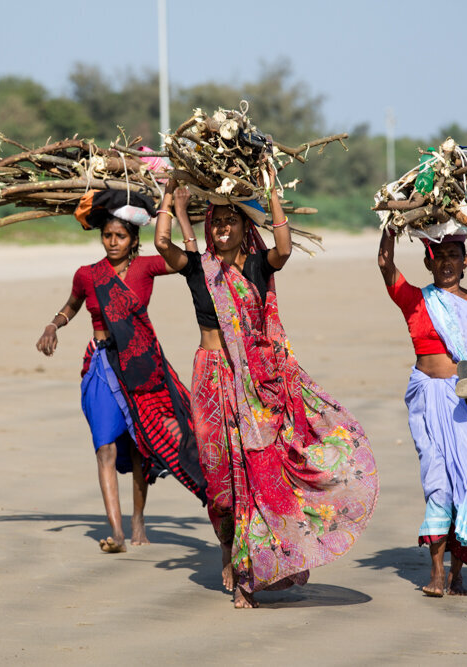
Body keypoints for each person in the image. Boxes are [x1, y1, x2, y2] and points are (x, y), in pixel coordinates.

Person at [154, 173, 379, 608]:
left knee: (253, 475)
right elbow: (163, 244)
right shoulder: (200, 268)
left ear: (244, 226)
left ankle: (246, 575)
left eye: (229, 220)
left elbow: (285, 248)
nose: (221, 228)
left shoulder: (258, 266)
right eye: (215, 220)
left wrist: (272, 186)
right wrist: (169, 197)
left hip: (254, 389)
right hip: (211, 380)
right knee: (220, 480)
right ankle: (226, 547)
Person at [36, 189, 206, 554]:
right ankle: (116, 531)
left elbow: (187, 260)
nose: (112, 242)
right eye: (107, 236)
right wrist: (53, 325)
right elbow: (71, 306)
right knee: (105, 449)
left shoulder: (147, 268)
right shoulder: (87, 274)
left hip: (142, 368)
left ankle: (138, 521)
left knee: (142, 446)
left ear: (133, 240)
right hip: (101, 366)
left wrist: (174, 209)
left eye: (120, 236)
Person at [378, 227, 467, 596]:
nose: (446, 262)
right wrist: (390, 229)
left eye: (454, 254)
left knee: (464, 480)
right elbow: (385, 263)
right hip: (427, 398)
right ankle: (437, 574)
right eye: (439, 255)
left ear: (465, 261)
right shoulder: (414, 300)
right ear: (429, 261)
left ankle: (457, 575)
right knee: (436, 479)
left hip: (464, 400)